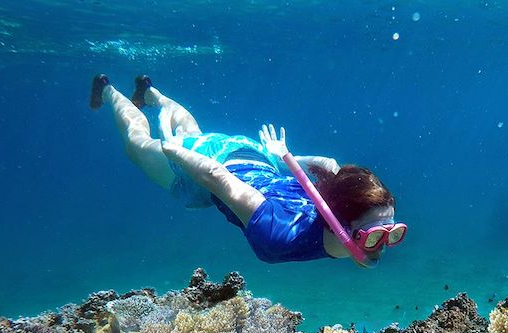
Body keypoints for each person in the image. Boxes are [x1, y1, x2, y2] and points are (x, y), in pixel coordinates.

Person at [89, 74, 406, 267]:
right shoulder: (279, 231)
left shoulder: (333, 201)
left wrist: (283, 156)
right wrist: (174, 150)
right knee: (137, 143)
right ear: (339, 225)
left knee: (192, 130)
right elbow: (217, 178)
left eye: (392, 234)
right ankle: (107, 89)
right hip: (207, 170)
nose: (383, 248)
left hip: (257, 156)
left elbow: (331, 167)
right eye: (374, 236)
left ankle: (151, 93)